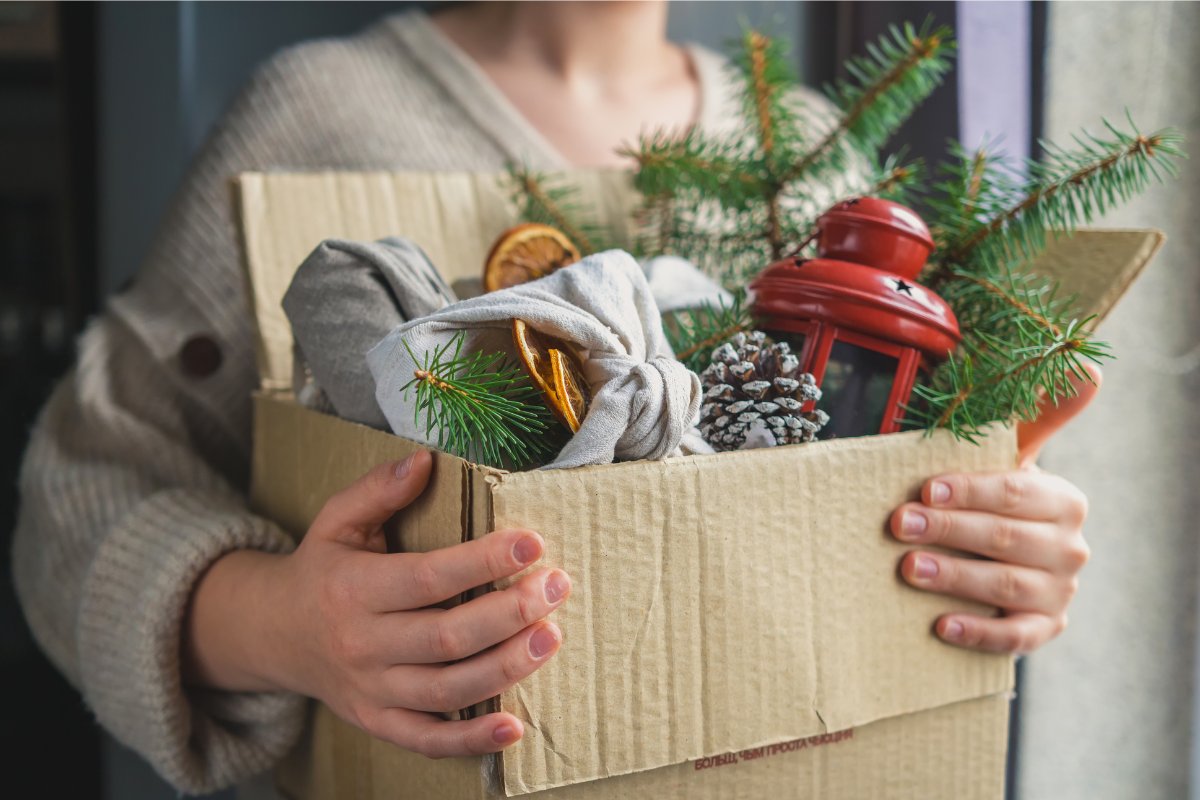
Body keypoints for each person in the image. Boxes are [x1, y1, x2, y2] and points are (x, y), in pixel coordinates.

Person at [10, 2, 1091, 795]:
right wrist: (282, 624)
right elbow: (79, 497)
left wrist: (994, 551)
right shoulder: (320, 117)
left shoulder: (805, 155)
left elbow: (900, 480)